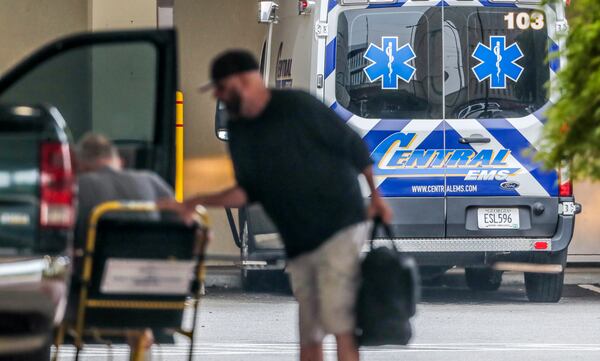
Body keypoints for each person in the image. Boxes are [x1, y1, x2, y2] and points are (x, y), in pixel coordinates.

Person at [159, 50, 392, 361]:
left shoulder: (298, 106)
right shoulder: (240, 130)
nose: (218, 96)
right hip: (298, 241)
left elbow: (354, 147)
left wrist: (377, 198)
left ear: (244, 81)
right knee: (309, 329)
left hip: (340, 226)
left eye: (222, 88)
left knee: (339, 320)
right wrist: (196, 201)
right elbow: (247, 192)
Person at [73, 133, 175, 347]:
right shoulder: (151, 181)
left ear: (79, 163)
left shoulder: (77, 187)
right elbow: (194, 228)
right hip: (157, 295)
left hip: (96, 297)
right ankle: (139, 329)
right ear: (118, 160)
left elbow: (66, 242)